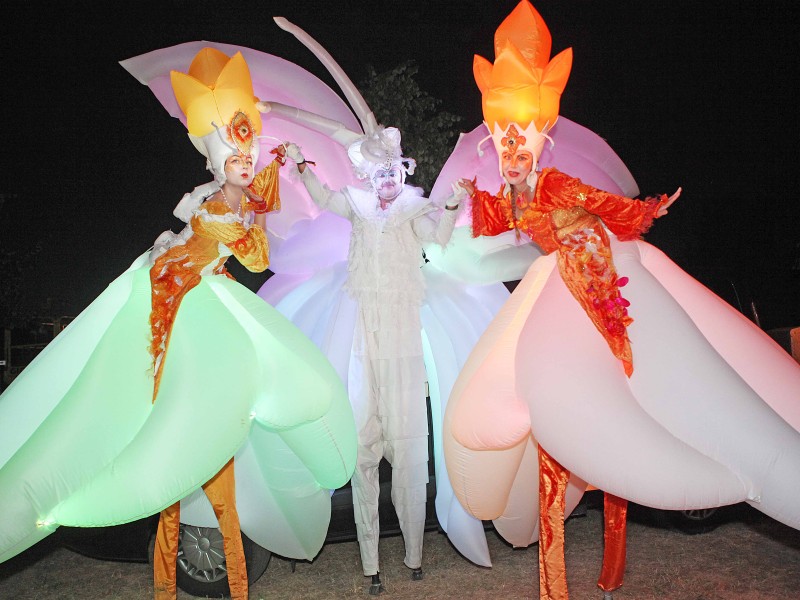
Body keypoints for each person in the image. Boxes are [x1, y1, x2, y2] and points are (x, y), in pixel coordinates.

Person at [444, 2, 800, 599]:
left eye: (520, 136)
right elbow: (491, 215)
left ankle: (757, 468)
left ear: (540, 135)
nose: (510, 148)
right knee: (548, 404)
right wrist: (462, 198)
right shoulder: (515, 196)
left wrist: (648, 209)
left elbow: (606, 206)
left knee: (682, 389)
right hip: (565, 292)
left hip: (607, 283)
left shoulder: (555, 183)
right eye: (502, 139)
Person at [0, 46, 357, 600]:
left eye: (246, 148)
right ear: (213, 162)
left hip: (195, 300)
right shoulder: (213, 206)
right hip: (172, 299)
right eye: (231, 153)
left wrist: (274, 173)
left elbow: (254, 227)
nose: (243, 157)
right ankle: (169, 587)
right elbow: (226, 242)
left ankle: (226, 589)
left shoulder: (231, 204)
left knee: (210, 489)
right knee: (171, 485)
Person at [287, 128, 462, 593]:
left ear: (400, 172)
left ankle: (413, 555)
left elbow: (438, 237)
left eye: (392, 171)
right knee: (365, 449)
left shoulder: (412, 210)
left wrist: (449, 207)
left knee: (407, 449)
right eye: (378, 172)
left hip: (402, 338)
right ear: (368, 176)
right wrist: (303, 167)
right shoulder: (359, 208)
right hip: (365, 334)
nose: (386, 179)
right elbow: (326, 198)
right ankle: (370, 564)